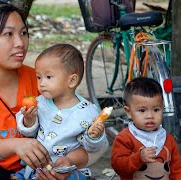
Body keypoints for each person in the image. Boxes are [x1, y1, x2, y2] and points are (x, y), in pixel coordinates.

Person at [0, 1, 103, 179]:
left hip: (38, 173)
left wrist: (66, 165)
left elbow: (84, 134)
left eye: (23, 33)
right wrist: (15, 145)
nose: (20, 42)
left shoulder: (41, 81)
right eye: (8, 34)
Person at [14, 44, 109, 179]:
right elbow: (27, 132)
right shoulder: (39, 103)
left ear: (72, 80)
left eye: (48, 77)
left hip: (66, 171)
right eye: (38, 77)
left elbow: (93, 148)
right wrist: (29, 120)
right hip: (35, 169)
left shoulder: (88, 112)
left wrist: (95, 136)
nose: (41, 83)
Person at [111, 77, 181, 179]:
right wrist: (138, 158)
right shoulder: (124, 138)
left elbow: (176, 170)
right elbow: (118, 167)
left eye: (156, 110)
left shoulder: (168, 139)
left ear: (162, 108)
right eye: (142, 110)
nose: (150, 116)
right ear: (128, 112)